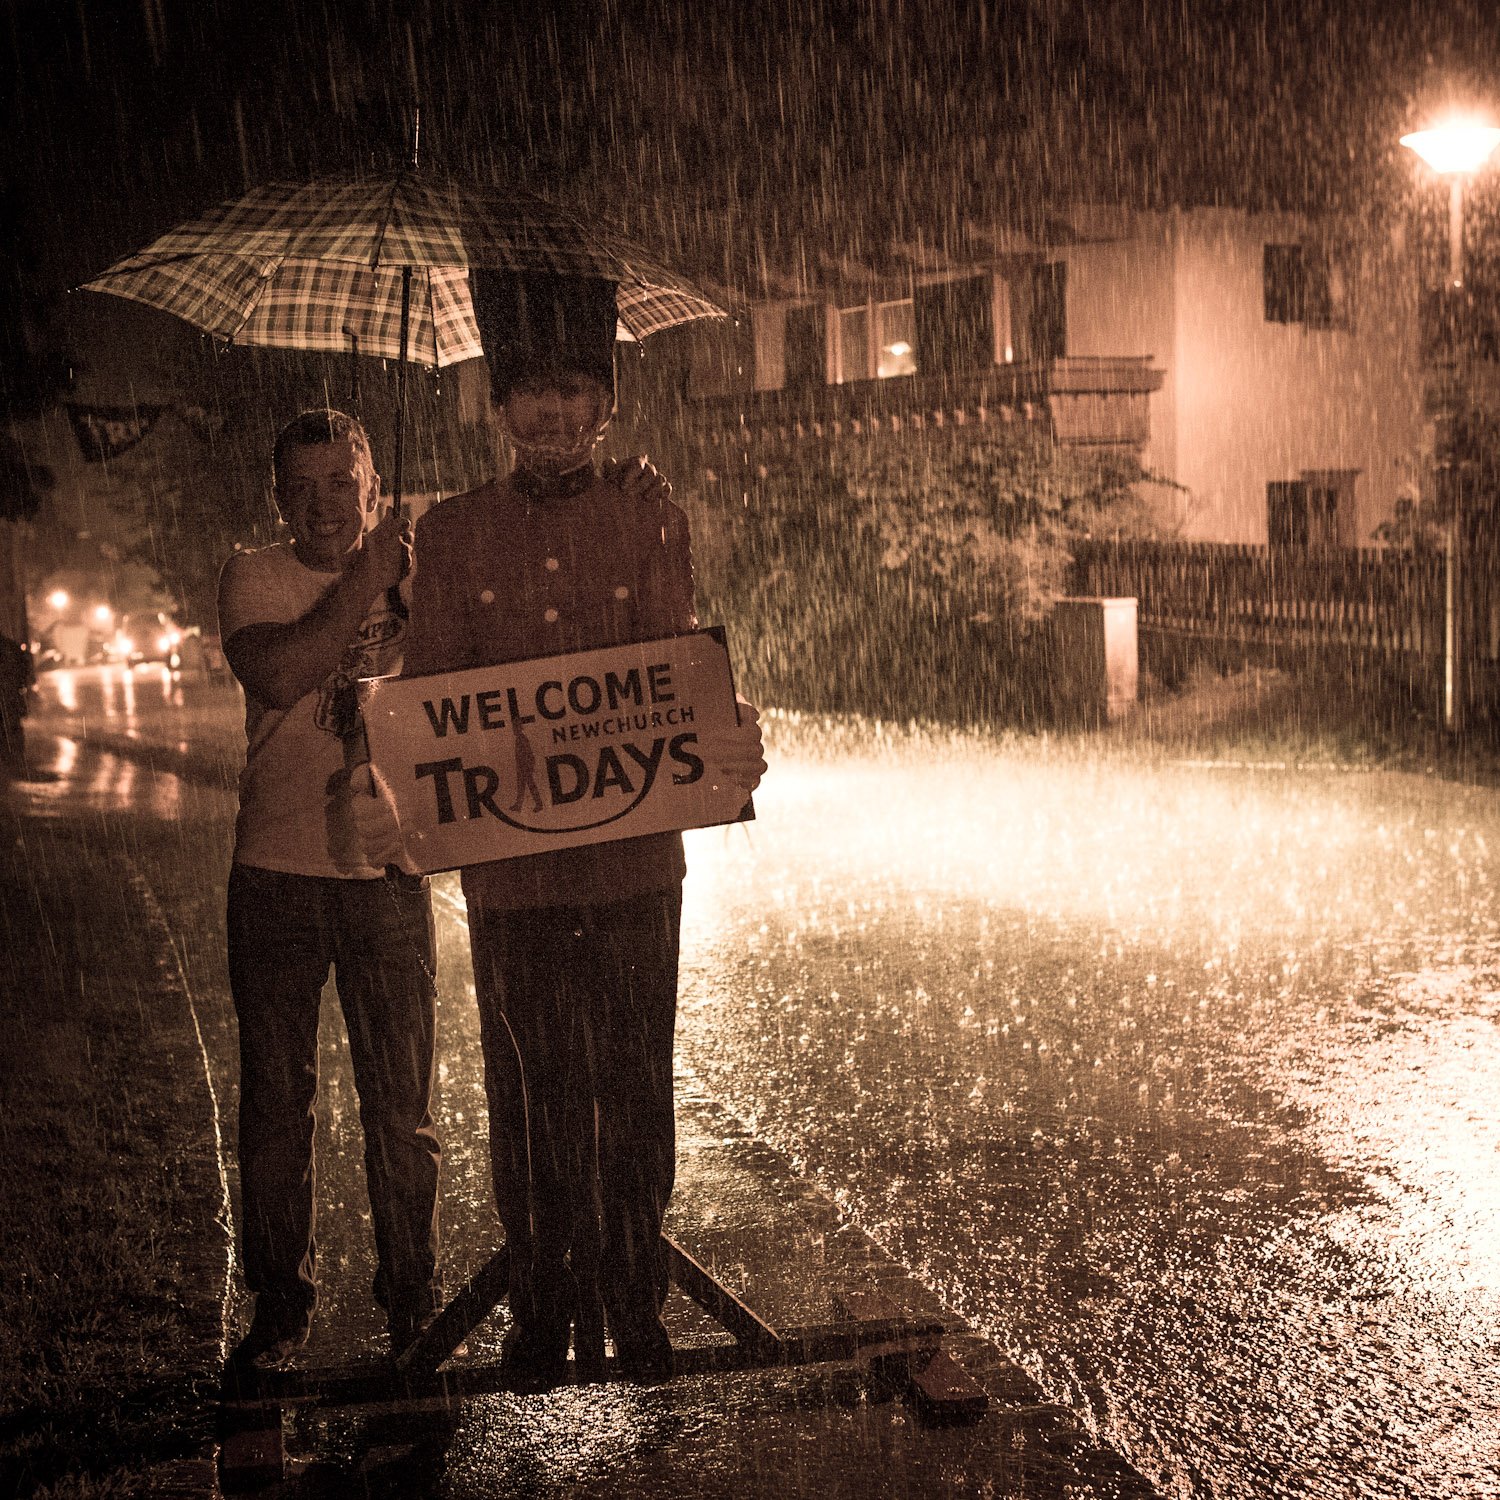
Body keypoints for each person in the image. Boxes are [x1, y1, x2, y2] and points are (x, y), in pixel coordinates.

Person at [219, 407, 680, 1374]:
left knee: (402, 1109)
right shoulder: (254, 576)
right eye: (300, 489)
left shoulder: (423, 560)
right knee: (276, 1104)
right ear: (276, 501)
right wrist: (368, 578)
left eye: (341, 484)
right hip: (277, 875)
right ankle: (279, 1309)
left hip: (389, 877)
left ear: (373, 488)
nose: (321, 505)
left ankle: (411, 1299)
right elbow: (282, 673)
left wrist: (629, 490)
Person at [398, 270, 765, 1385]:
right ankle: (543, 1296)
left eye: (574, 391)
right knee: (531, 1088)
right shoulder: (448, 535)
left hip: (636, 866)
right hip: (513, 879)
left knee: (636, 1082)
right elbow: (433, 697)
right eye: (531, 393)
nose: (553, 413)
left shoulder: (651, 514)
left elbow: (674, 668)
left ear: (604, 402)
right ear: (500, 406)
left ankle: (633, 1291)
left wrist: (724, 732)